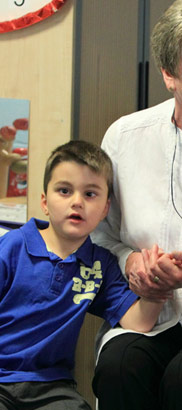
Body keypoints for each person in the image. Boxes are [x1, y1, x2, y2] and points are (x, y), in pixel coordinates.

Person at [0, 140, 163, 410]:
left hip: (53, 387)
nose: (77, 202)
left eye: (90, 194)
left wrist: (156, 287)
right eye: (64, 191)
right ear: (45, 202)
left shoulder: (101, 264)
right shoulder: (13, 247)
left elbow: (139, 322)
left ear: (105, 209)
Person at [91, 1, 182, 409]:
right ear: (168, 75)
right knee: (119, 366)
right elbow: (99, 235)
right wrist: (132, 263)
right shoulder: (126, 137)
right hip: (150, 316)